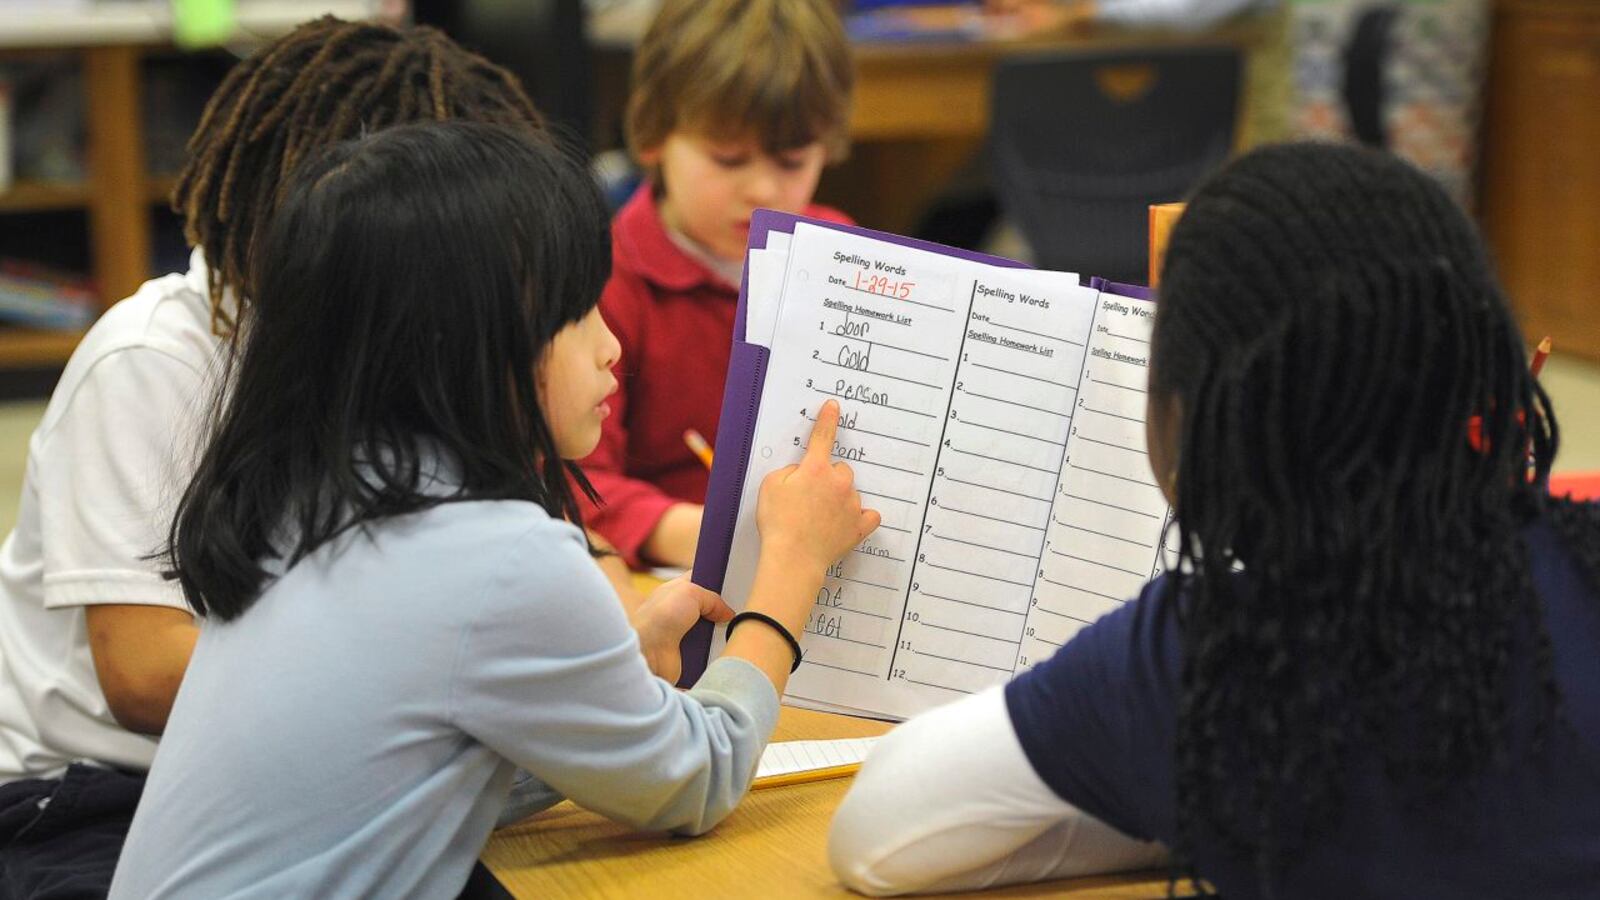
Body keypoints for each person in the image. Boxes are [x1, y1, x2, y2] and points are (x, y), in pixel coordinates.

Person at [107, 121, 878, 899]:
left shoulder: (318, 495)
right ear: (471, 343)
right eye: (579, 313)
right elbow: (698, 779)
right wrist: (790, 568)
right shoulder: (499, 555)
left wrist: (613, 676)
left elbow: (416, 772)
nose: (610, 346)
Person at [828, 142, 1600, 898]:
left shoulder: (1211, 655)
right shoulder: (1583, 560)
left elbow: (877, 836)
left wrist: (1195, 800)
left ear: (1191, 417)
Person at [0, 18, 552, 898]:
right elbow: (142, 675)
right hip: (92, 798)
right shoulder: (156, 358)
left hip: (306, 783)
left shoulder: (397, 358)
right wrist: (425, 686)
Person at [579, 0, 856, 569]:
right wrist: (720, 536)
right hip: (675, 580)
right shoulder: (605, 281)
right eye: (729, 159)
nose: (762, 190)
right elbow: (576, 482)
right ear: (654, 136)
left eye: (792, 162)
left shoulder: (843, 254)